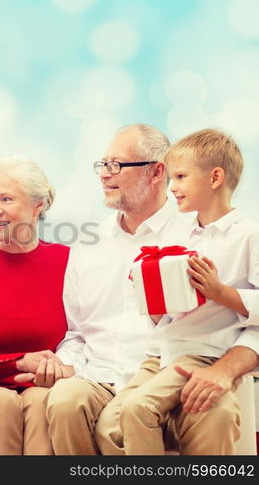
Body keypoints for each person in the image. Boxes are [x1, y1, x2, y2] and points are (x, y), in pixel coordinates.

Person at [43, 123, 259, 454]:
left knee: (212, 413)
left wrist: (224, 368)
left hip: (183, 364)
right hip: (109, 374)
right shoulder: (89, 243)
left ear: (156, 172)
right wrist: (66, 363)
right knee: (71, 405)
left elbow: (233, 315)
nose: (104, 174)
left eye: (115, 165)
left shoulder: (196, 229)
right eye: (101, 165)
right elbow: (77, 331)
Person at [0, 157, 69, 455]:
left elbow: (90, 334)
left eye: (6, 199)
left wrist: (60, 370)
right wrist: (19, 362)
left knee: (41, 401)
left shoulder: (68, 263)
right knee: (1, 403)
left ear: (37, 206)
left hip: (45, 386)